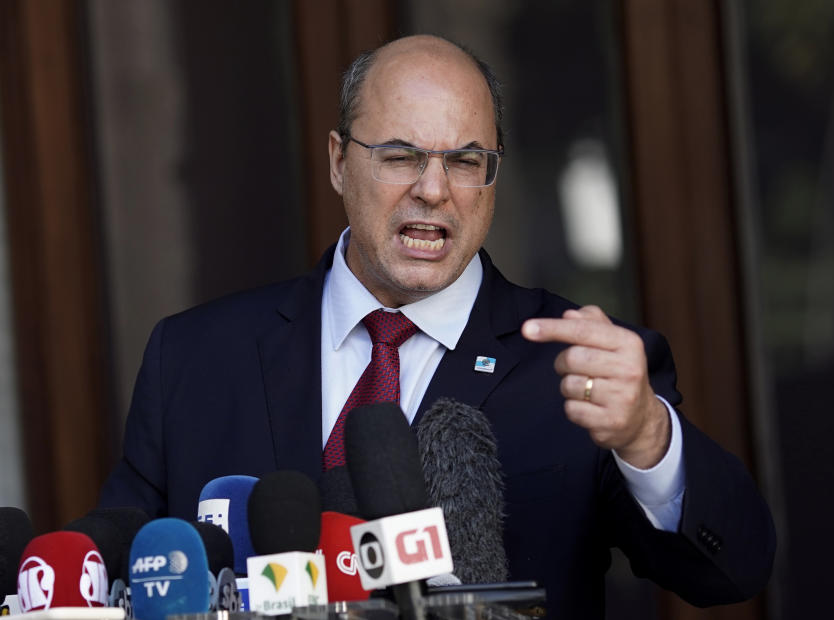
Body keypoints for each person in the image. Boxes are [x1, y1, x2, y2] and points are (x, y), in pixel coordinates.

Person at [99, 34, 775, 617]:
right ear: (339, 161)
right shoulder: (193, 358)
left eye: (464, 161)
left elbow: (732, 573)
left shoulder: (573, 368)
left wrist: (648, 435)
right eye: (399, 156)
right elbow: (119, 571)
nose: (432, 188)